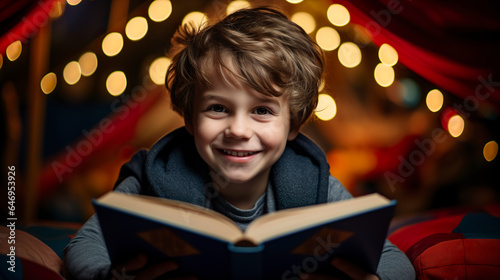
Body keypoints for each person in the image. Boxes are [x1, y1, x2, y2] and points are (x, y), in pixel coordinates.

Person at [63, 7, 415, 280]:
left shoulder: (317, 184)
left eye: (262, 110)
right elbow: (84, 246)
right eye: (218, 108)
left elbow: (395, 260)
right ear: (188, 116)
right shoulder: (152, 177)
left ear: (293, 123)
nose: (238, 129)